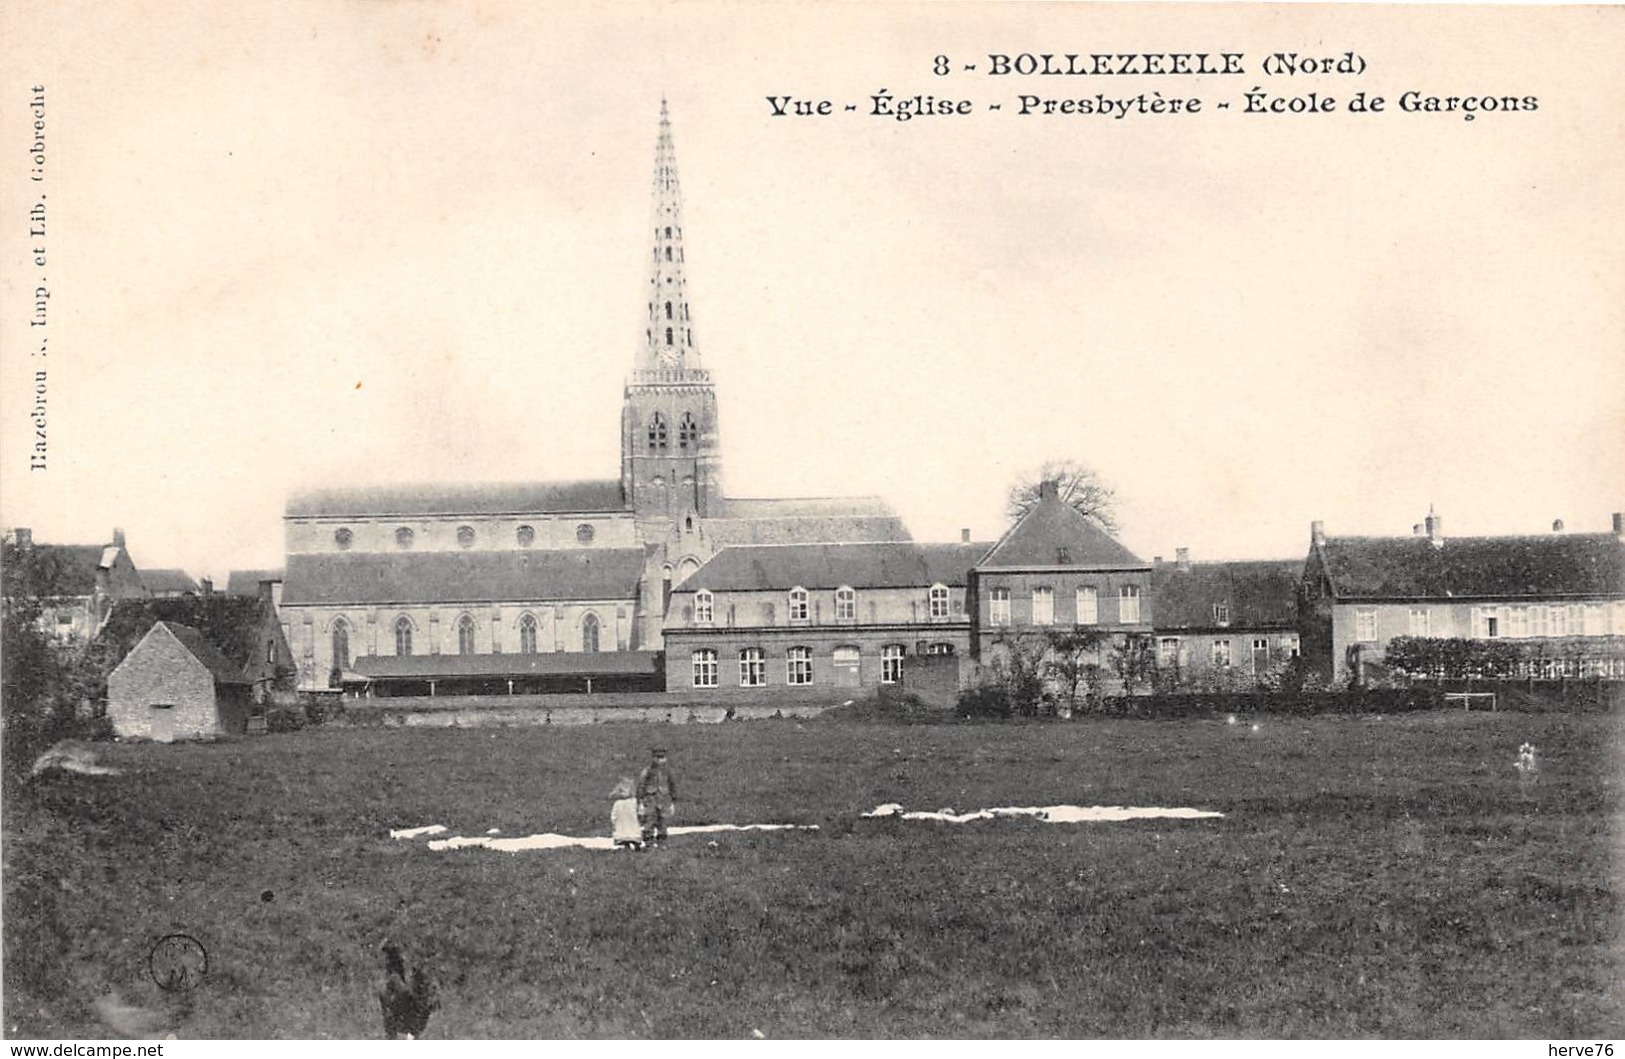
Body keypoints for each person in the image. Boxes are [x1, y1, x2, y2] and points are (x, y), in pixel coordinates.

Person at [637, 747, 677, 847]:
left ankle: (662, 841)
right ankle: (648, 841)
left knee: (662, 820)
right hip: (650, 798)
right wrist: (641, 801)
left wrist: (673, 800)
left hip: (664, 799)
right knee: (650, 819)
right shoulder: (648, 771)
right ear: (653, 758)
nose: (660, 760)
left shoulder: (668, 771)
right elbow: (641, 785)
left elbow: (672, 785)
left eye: (662, 757)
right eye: (657, 757)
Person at [609, 776, 642, 851]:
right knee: (633, 829)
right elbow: (640, 811)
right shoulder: (634, 802)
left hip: (623, 823)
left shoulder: (618, 804)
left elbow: (613, 816)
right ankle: (635, 843)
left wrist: (613, 822)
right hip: (632, 821)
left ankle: (626, 843)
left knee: (623, 830)